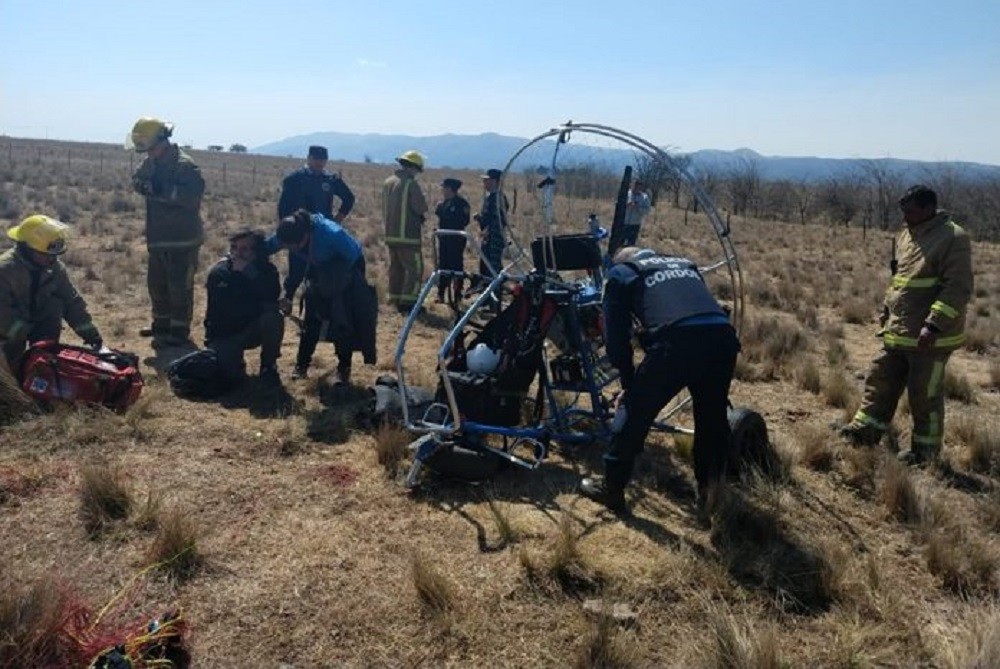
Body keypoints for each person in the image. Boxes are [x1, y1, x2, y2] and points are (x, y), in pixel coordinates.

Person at [580, 247, 739, 523]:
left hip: (676, 344)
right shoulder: (685, 264)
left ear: (621, 262)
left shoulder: (621, 274)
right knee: (712, 421)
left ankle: (612, 488)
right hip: (722, 337)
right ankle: (711, 495)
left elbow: (616, 339)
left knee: (633, 414)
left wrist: (628, 383)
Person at [840, 185, 973, 466]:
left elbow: (958, 288)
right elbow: (900, 281)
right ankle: (866, 432)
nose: (906, 217)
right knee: (880, 378)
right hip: (899, 329)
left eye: (911, 212)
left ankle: (925, 453)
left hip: (930, 338)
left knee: (923, 394)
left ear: (928, 209)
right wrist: (887, 312)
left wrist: (933, 325)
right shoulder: (906, 235)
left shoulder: (953, 238)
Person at [267, 209, 376, 384]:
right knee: (311, 321)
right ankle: (301, 365)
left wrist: (345, 286)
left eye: (296, 245)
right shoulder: (289, 234)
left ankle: (344, 368)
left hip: (344, 272)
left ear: (307, 234)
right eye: (289, 246)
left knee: (342, 320)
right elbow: (266, 247)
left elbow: (354, 258)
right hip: (318, 273)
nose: (293, 249)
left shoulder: (332, 234)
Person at [128, 117, 205, 349]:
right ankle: (161, 325)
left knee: (179, 288)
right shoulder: (151, 162)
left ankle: (179, 332)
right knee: (157, 286)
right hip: (158, 238)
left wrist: (161, 191)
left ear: (162, 141)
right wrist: (148, 187)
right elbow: (137, 181)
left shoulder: (185, 166)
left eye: (150, 148)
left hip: (182, 240)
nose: (148, 153)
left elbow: (191, 199)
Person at [0, 215, 102, 370]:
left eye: (54, 254)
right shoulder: (6, 270)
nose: (52, 259)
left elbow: (71, 301)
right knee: (10, 372)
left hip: (29, 320)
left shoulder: (54, 268)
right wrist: (22, 334)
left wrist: (91, 335)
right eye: (46, 254)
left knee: (55, 305)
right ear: (28, 249)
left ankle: (42, 361)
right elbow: (3, 315)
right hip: (7, 328)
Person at [204, 230, 284, 386]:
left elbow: (271, 294)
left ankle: (269, 366)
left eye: (244, 249)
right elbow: (225, 311)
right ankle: (235, 361)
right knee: (229, 381)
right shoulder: (219, 273)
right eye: (234, 247)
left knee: (273, 317)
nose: (237, 253)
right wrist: (263, 305)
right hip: (225, 333)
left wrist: (250, 272)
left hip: (252, 328)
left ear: (257, 251)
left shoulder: (266, 270)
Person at [382, 150, 429, 314]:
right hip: (408, 237)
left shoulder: (388, 182)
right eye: (418, 170)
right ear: (413, 167)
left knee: (396, 268)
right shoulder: (410, 183)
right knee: (414, 269)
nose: (417, 173)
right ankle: (409, 303)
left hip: (390, 234)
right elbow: (420, 207)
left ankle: (394, 298)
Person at [277, 145, 355, 222]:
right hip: (300, 227)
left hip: (324, 228)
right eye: (316, 159)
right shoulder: (294, 179)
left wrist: (337, 220)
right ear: (308, 158)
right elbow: (283, 208)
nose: (319, 162)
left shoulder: (331, 179)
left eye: (323, 159)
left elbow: (349, 198)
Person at [434, 178, 471, 304]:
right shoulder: (442, 204)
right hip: (444, 239)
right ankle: (441, 293)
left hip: (456, 240)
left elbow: (465, 221)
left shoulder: (462, 204)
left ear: (450, 189)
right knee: (443, 265)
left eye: (444, 187)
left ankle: (457, 294)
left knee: (456, 266)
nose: (442, 190)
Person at [474, 168, 509, 281]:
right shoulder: (490, 197)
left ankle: (495, 293)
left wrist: (487, 231)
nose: (484, 183)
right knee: (484, 267)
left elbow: (498, 219)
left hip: (494, 238)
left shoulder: (498, 198)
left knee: (493, 267)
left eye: (487, 180)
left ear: (495, 181)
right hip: (487, 238)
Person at [621, 179, 652, 246]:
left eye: (638, 186)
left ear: (641, 187)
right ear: (631, 185)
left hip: (635, 225)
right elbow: (618, 205)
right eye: (634, 185)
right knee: (619, 243)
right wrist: (626, 205)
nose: (636, 188)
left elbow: (648, 210)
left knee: (631, 244)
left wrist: (638, 207)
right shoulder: (626, 193)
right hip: (623, 223)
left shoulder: (644, 197)